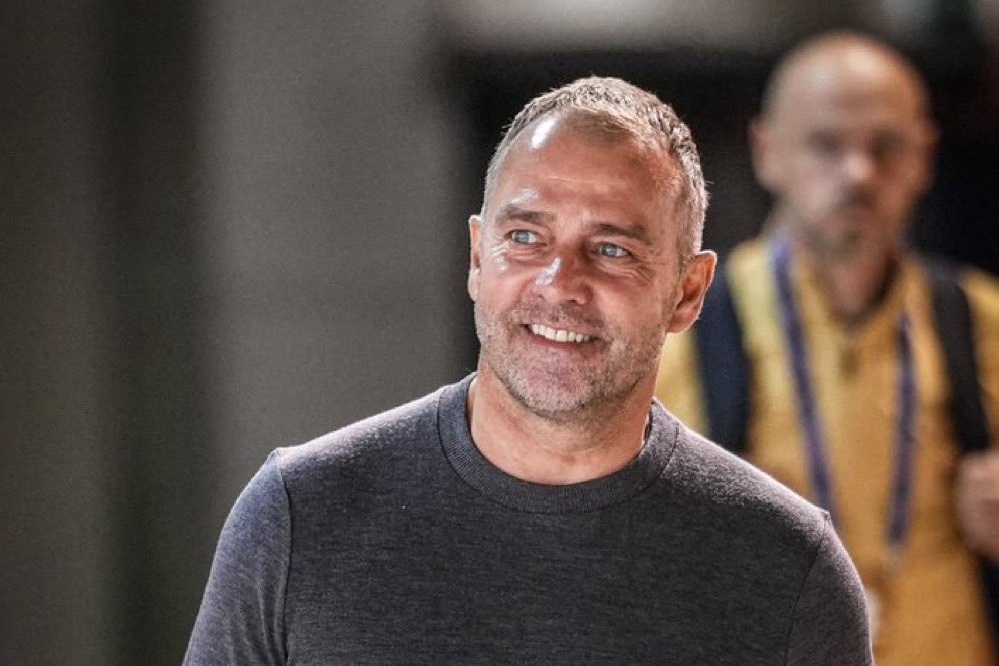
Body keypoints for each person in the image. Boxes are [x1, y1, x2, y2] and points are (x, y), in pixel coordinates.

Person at [183, 76, 872, 665]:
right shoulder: (301, 517)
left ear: (687, 292)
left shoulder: (786, 568)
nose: (559, 281)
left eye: (610, 249)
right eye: (524, 237)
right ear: (477, 256)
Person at [656, 31, 999, 666]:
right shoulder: (675, 332)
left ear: (924, 157)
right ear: (766, 152)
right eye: (825, 144)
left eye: (886, 146)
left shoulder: (985, 322)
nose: (858, 172)